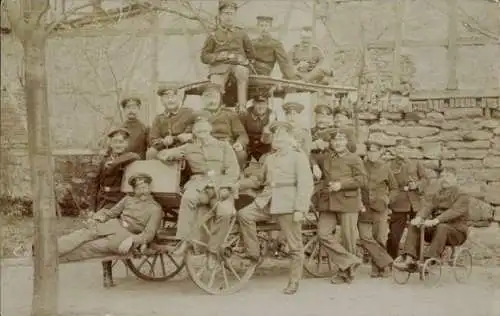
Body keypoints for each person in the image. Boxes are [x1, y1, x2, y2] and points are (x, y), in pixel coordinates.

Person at [238, 121, 314, 295]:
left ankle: (294, 281)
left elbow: (306, 184)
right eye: (275, 136)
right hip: (267, 201)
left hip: (288, 204)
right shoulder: (270, 158)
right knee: (244, 214)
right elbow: (259, 180)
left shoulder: (298, 156)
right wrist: (237, 185)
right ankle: (254, 254)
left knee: (295, 246)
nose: (277, 139)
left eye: (281, 136)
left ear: (289, 138)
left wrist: (300, 209)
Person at [59, 173, 162, 287]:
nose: (142, 191)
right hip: (112, 225)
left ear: (149, 188)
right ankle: (49, 249)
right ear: (134, 190)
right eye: (138, 188)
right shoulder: (128, 199)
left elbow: (149, 234)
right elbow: (112, 213)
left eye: (145, 187)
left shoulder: (155, 208)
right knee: (82, 234)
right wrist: (99, 218)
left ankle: (52, 259)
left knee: (90, 247)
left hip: (124, 236)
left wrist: (132, 239)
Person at [157, 116, 240, 256]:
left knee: (225, 213)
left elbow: (233, 169)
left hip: (220, 185)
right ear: (194, 132)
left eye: (204, 128)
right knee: (188, 198)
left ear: (210, 129)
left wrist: (226, 187)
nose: (202, 131)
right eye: (198, 129)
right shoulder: (188, 147)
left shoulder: (223, 146)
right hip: (198, 184)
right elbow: (162, 154)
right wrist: (170, 155)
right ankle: (183, 240)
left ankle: (214, 249)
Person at [393, 167, 469, 270]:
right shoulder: (438, 194)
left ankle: (429, 260)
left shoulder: (462, 195)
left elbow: (454, 211)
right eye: (443, 176)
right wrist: (419, 218)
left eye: (448, 176)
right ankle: (409, 259)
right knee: (414, 225)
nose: (445, 179)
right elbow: (428, 207)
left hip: (457, 232)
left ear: (456, 178)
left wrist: (436, 220)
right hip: (437, 229)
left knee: (442, 227)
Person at [315, 129, 366, 258]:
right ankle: (348, 262)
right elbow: (311, 156)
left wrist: (341, 185)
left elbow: (362, 180)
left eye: (341, 140)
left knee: (348, 239)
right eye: (335, 140)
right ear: (331, 142)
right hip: (328, 203)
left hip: (347, 203)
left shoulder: (354, 159)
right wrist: (314, 164)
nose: (338, 143)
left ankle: (348, 272)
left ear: (347, 142)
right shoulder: (326, 158)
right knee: (323, 234)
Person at [200, 0, 256, 113]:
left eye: (231, 14)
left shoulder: (241, 33)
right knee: (216, 82)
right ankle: (216, 109)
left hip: (238, 65)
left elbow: (252, 54)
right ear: (220, 16)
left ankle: (242, 107)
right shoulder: (213, 34)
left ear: (235, 16)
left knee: (242, 72)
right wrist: (217, 56)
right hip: (219, 66)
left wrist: (245, 60)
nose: (229, 17)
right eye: (226, 13)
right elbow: (204, 57)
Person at [359, 141, 398, 278]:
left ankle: (377, 268)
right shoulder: (360, 165)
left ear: (380, 152)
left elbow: (394, 188)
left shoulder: (385, 167)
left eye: (375, 151)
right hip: (363, 208)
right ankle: (386, 262)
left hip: (380, 208)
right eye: (370, 151)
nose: (372, 154)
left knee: (380, 238)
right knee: (365, 238)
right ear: (367, 152)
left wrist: (387, 200)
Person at [386, 139, 428, 259]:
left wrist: (417, 185)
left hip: (415, 202)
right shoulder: (389, 165)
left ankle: (415, 259)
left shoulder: (416, 163)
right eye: (399, 148)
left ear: (408, 150)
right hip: (398, 203)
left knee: (418, 231)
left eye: (404, 148)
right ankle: (391, 259)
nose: (401, 151)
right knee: (394, 234)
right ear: (395, 150)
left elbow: (425, 179)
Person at [200, 83, 249, 169]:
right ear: (203, 99)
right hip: (205, 147)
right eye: (208, 97)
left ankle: (236, 177)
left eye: (215, 97)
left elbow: (242, 135)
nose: (212, 101)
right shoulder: (197, 115)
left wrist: (239, 143)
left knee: (240, 154)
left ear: (220, 99)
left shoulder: (230, 114)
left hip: (226, 146)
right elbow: (189, 134)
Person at [93, 128, 141, 212]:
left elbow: (136, 156)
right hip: (103, 199)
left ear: (126, 144)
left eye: (121, 142)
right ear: (111, 144)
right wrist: (92, 208)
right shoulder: (104, 161)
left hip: (120, 200)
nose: (118, 145)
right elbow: (95, 185)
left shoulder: (129, 158)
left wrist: (114, 163)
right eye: (115, 142)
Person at [147, 84, 195, 159]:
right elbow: (153, 139)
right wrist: (163, 142)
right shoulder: (159, 118)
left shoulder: (188, 113)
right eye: (166, 97)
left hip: (184, 149)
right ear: (162, 101)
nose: (170, 100)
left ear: (179, 98)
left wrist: (174, 139)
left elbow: (190, 134)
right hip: (164, 150)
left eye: (173, 96)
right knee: (151, 152)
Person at [239, 94, 274, 165]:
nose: (261, 107)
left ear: (267, 104)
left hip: (265, 147)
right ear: (253, 104)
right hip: (249, 147)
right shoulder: (245, 114)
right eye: (258, 104)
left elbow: (273, 135)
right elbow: (241, 133)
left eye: (264, 104)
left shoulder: (272, 115)